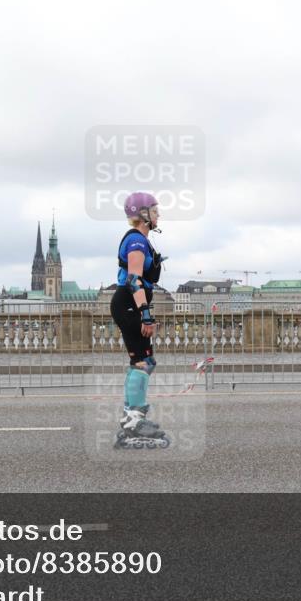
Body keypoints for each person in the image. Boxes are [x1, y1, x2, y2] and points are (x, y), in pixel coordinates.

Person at [110, 192, 169, 449]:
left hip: (131, 303)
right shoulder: (136, 241)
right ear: (144, 214)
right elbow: (133, 279)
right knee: (143, 362)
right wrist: (145, 314)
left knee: (144, 361)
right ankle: (133, 420)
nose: (158, 215)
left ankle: (131, 415)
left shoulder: (142, 240)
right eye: (155, 211)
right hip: (129, 303)